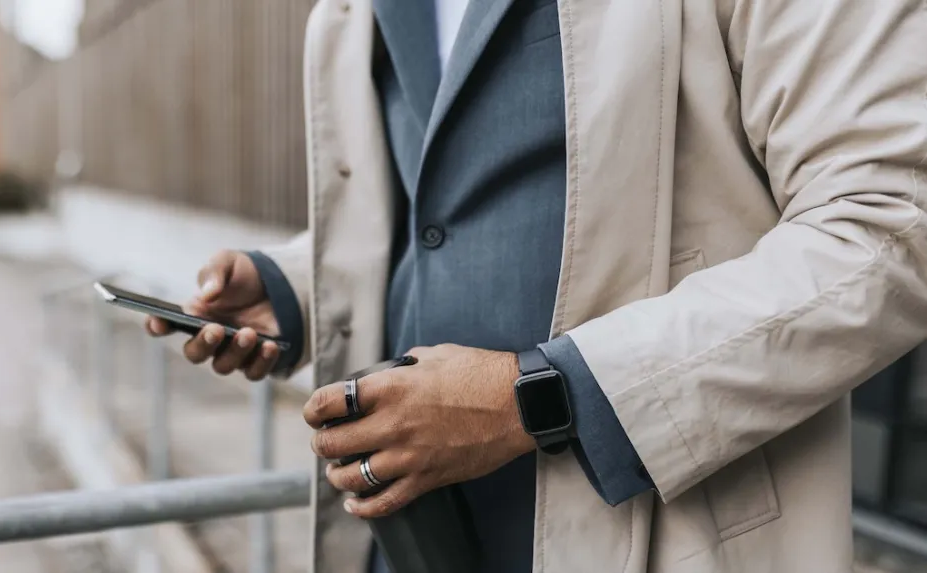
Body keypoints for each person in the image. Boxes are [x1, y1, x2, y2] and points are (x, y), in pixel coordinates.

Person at [147, 0, 927, 571]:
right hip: (412, 543)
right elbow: (444, 204)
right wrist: (295, 289)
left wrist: (541, 398)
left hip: (672, 538)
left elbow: (892, 223)